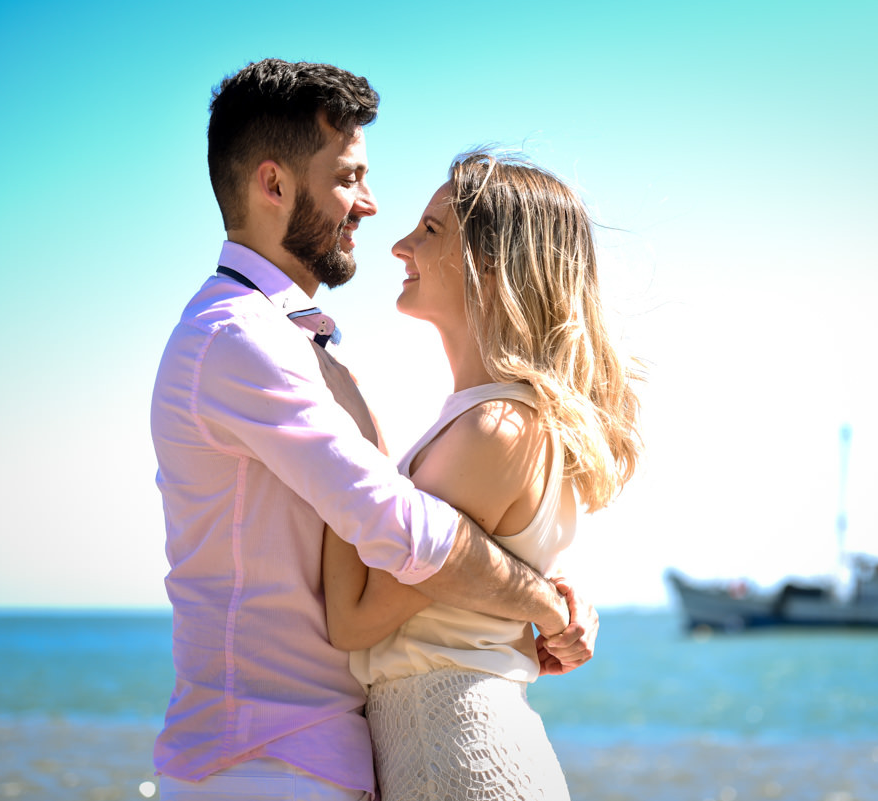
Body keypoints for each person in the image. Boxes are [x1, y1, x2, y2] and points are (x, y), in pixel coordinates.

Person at [150, 60, 596, 801]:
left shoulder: (296, 345)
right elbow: (396, 524)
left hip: (320, 758)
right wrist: (545, 602)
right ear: (274, 185)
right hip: (264, 765)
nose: (370, 204)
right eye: (349, 177)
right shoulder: (238, 339)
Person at [322, 149, 643, 800]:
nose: (399, 246)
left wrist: (339, 446)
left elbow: (355, 619)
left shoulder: (494, 429)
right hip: (456, 753)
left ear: (491, 264)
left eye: (431, 230)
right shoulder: (497, 419)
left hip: (458, 760)